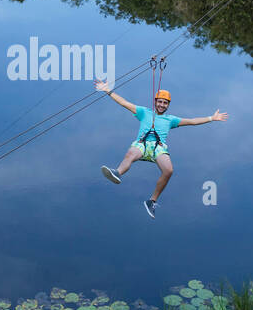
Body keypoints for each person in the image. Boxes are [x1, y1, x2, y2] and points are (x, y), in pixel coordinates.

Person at [94, 80, 228, 218]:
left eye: (165, 103)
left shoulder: (171, 120)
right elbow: (123, 103)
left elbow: (192, 121)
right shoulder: (143, 112)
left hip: (158, 148)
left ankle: (152, 201)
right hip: (142, 144)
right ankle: (117, 173)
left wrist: (212, 117)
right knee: (131, 153)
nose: (162, 105)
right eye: (160, 102)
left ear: (168, 105)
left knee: (169, 170)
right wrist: (106, 90)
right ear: (155, 102)